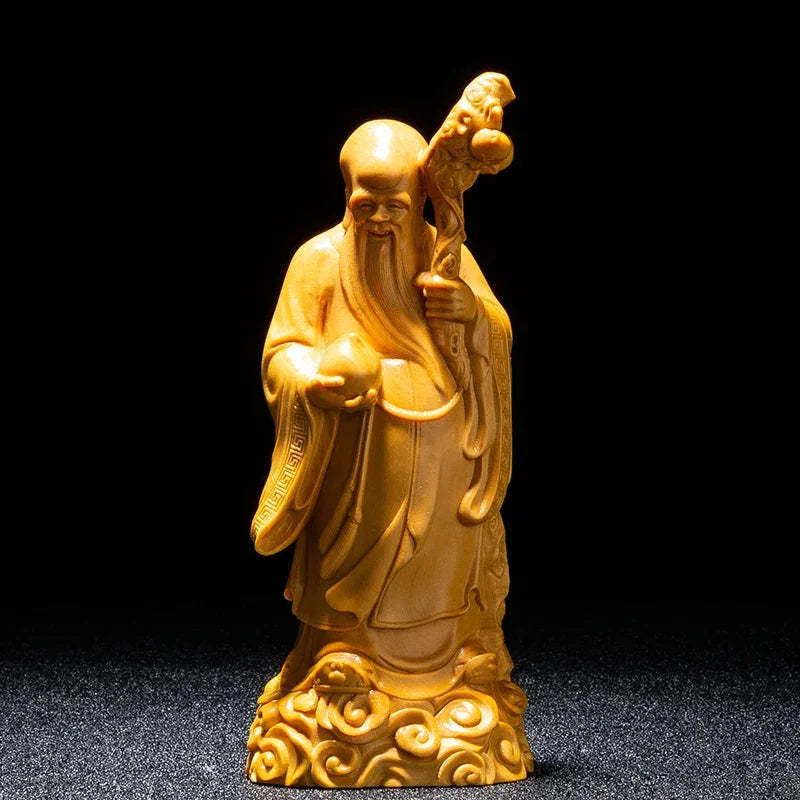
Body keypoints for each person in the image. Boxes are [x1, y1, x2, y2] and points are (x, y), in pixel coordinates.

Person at [247, 119, 531, 787]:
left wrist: (469, 313)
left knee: (440, 567)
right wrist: (313, 380)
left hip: (447, 449)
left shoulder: (443, 253)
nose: (378, 218)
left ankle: (451, 673)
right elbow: (282, 351)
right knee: (353, 580)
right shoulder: (317, 261)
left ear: (420, 197)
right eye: (364, 204)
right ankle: (342, 663)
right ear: (345, 195)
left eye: (394, 205)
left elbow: (497, 330)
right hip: (357, 461)